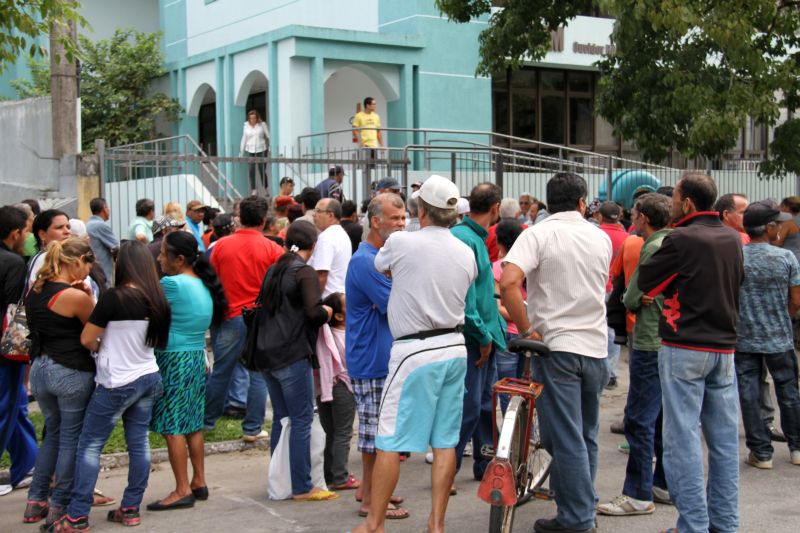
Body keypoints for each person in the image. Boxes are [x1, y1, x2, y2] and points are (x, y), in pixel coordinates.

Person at [352, 175, 477, 533]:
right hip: (454, 347)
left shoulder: (403, 242)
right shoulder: (465, 250)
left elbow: (381, 265)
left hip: (414, 350)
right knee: (444, 441)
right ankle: (436, 523)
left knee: (388, 439)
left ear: (421, 209)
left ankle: (374, 523)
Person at [500, 172, 611, 533]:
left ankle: (577, 518)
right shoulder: (600, 236)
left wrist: (526, 326)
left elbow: (509, 280)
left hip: (557, 348)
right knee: (584, 434)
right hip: (596, 347)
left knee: (564, 437)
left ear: (548, 203)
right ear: (582, 202)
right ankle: (579, 507)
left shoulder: (538, 233)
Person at [637, 172, 743, 533]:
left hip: (685, 347)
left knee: (681, 440)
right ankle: (725, 524)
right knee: (724, 442)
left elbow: (647, 281)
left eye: (675, 198)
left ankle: (693, 525)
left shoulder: (680, 238)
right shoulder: (732, 238)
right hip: (724, 348)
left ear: (687, 203)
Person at [54, 242, 168, 531]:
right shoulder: (157, 298)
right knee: (139, 443)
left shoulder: (113, 297)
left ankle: (77, 515)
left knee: (90, 446)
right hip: (148, 377)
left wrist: (101, 347)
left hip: (117, 381)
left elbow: (87, 339)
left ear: (123, 265)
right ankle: (130, 508)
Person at [246, 220, 336, 501]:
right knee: (300, 420)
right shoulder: (304, 271)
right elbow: (313, 313)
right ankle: (300, 485)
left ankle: (280, 480)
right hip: (291, 354)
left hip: (266, 355)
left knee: (282, 420)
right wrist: (329, 311)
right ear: (314, 245)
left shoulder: (275, 268)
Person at [597, 193, 672, 517]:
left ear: (642, 218)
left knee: (640, 419)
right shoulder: (674, 242)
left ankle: (638, 493)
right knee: (661, 418)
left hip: (648, 339)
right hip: (669, 339)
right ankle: (662, 483)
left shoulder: (651, 247)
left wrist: (634, 298)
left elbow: (631, 295)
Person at [149, 231, 228, 510]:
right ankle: (198, 481)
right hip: (196, 357)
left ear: (179, 259)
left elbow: (146, 305)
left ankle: (181, 489)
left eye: (162, 253)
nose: (158, 258)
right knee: (193, 423)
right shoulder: (204, 283)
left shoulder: (173, 283)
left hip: (174, 358)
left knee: (173, 427)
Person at [23, 238, 96, 527]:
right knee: (70, 439)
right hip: (70, 370)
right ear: (76, 261)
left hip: (40, 369)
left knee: (52, 434)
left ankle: (35, 501)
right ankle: (60, 504)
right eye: (88, 264)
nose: (88, 271)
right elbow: (95, 332)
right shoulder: (76, 297)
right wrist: (88, 294)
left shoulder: (35, 290)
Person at [345, 193, 409, 520]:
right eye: (395, 219)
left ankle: (368, 490)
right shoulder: (366, 260)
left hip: (378, 357)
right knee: (375, 436)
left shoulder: (379, 257)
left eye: (403, 218)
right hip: (371, 360)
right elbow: (395, 302)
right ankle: (371, 500)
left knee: (378, 432)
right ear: (375, 222)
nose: (402, 224)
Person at [206, 196, 281, 441]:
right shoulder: (273, 249)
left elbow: (209, 280)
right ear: (263, 220)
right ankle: (252, 428)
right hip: (261, 319)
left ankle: (206, 423)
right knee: (257, 374)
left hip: (229, 317)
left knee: (221, 371)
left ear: (239, 218)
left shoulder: (220, 246)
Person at [735, 200, 800, 469]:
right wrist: (782, 314)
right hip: (779, 337)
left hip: (744, 336)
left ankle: (761, 453)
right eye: (778, 223)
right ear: (769, 227)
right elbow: (796, 300)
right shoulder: (785, 257)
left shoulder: (737, 255)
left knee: (749, 392)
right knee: (788, 390)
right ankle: (797, 448)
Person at [451, 183, 506, 482]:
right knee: (470, 407)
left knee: (486, 406)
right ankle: (449, 469)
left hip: (487, 335)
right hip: (475, 339)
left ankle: (485, 464)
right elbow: (466, 300)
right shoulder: (465, 238)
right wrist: (483, 337)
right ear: (495, 207)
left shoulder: (472, 237)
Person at [0, 206, 37, 497]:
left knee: (15, 410)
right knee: (7, 408)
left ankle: (27, 465)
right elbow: (16, 314)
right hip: (5, 353)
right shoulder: (13, 263)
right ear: (16, 233)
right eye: (25, 231)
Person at [315, 292, 358, 490]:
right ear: (339, 316)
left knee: (331, 432)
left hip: (324, 386)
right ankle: (340, 476)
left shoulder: (325, 334)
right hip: (342, 386)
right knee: (343, 432)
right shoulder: (347, 336)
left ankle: (330, 475)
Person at [491, 218, 526, 393]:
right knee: (525, 387)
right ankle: (526, 421)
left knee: (508, 388)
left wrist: (515, 315)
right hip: (528, 332)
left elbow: (497, 307)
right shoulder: (528, 265)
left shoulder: (498, 268)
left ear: (498, 241)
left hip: (506, 333)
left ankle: (510, 420)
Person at [597, 201, 628, 390]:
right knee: (613, 331)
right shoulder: (627, 237)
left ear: (600, 216)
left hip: (598, 286)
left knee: (600, 328)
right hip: (616, 288)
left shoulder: (596, 235)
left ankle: (603, 370)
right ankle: (611, 371)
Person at [309, 198, 352, 298]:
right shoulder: (341, 234)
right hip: (338, 296)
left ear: (330, 215)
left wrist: (314, 301)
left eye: (318, 211)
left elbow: (321, 274)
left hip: (327, 298)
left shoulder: (326, 238)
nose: (313, 214)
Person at [86, 197, 119, 288]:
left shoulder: (88, 225)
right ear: (104, 208)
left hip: (94, 273)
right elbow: (117, 248)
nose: (109, 210)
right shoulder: (100, 226)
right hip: (103, 274)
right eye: (107, 207)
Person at [239, 109, 270, 193]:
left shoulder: (262, 125)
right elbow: (244, 139)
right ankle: (254, 189)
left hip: (261, 149)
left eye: (254, 118)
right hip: (250, 150)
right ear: (249, 119)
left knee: (261, 170)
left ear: (257, 118)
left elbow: (268, 136)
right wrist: (241, 152)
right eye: (251, 118)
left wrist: (270, 147)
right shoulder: (246, 126)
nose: (253, 120)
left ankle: (265, 188)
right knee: (251, 170)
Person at [486, 197, 523, 262]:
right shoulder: (526, 230)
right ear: (517, 214)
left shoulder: (489, 231)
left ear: (499, 213)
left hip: (492, 269)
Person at [777, 196, 800, 263]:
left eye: (781, 206)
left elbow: (778, 243)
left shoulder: (788, 223)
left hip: (789, 259)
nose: (780, 209)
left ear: (787, 208)